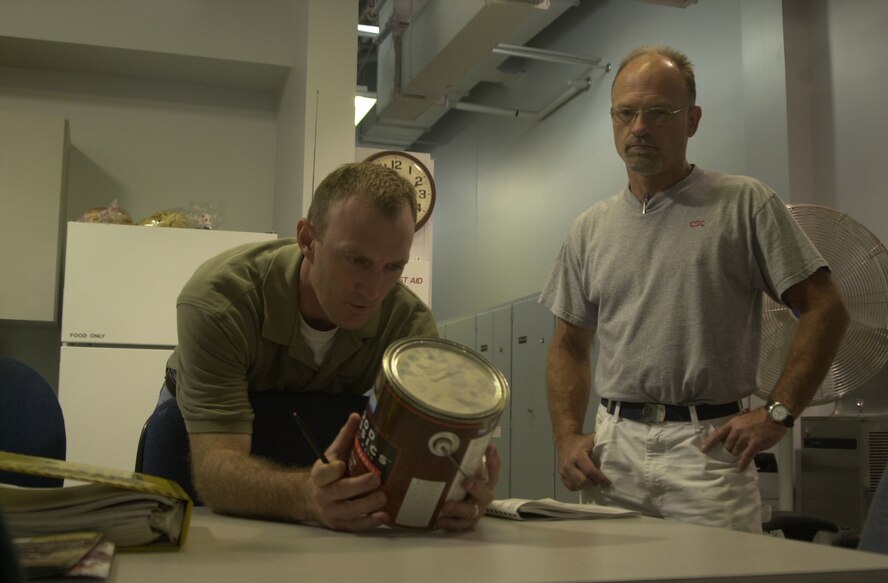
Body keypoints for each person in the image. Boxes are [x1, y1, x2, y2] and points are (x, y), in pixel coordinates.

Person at [539, 45, 849, 532]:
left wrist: (778, 413)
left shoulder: (743, 203)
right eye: (626, 112)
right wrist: (566, 437)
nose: (639, 127)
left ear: (692, 120)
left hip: (708, 450)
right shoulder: (589, 228)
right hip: (613, 452)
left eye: (658, 112)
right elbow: (567, 345)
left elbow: (825, 309)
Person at [164, 162, 499, 532]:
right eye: (357, 261)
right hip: (211, 440)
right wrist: (303, 497)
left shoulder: (407, 325)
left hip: (321, 453)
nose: (373, 291)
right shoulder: (220, 303)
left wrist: (453, 494)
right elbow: (216, 470)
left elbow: (423, 451)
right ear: (308, 240)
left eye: (393, 267)